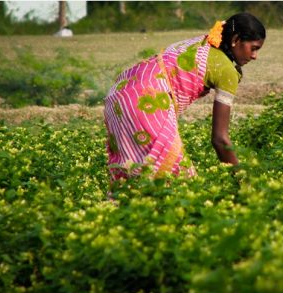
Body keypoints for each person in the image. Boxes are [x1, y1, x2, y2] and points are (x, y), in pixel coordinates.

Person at [104, 12, 266, 182]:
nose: (255, 56)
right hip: (147, 102)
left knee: (133, 180)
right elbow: (220, 139)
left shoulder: (203, 43)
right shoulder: (226, 71)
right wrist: (242, 180)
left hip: (120, 95)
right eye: (253, 48)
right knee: (179, 182)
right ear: (235, 40)